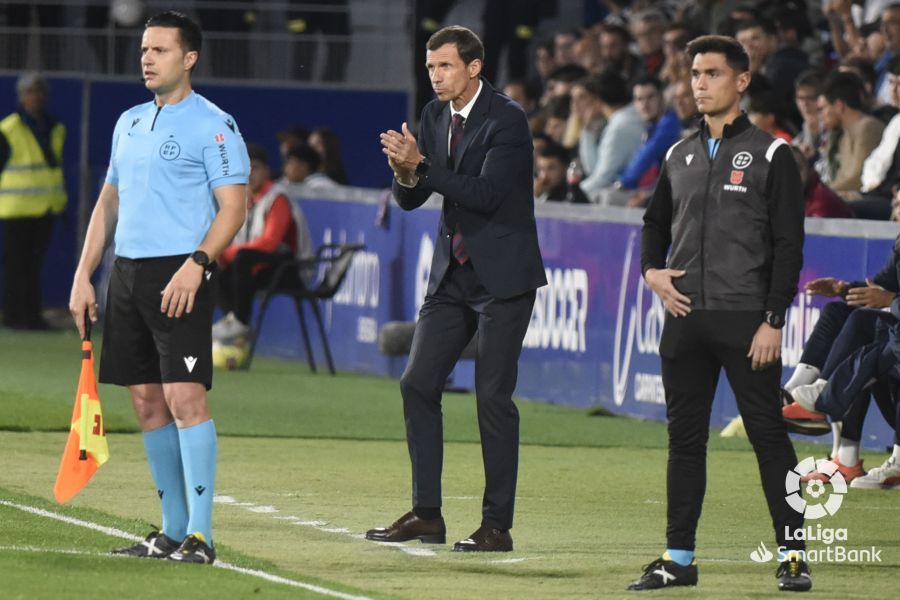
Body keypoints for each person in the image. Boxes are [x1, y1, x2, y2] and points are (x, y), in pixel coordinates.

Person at [68, 11, 249, 565]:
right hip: (127, 273)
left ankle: (202, 535)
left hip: (181, 273)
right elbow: (108, 202)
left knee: (184, 397)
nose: (147, 58)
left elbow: (234, 207)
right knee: (146, 401)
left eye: (160, 50)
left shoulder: (214, 124)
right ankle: (171, 531)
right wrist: (83, 274)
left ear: (189, 58)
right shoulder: (128, 122)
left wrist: (198, 263)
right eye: (144, 49)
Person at [633, 35, 810, 592]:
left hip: (746, 323)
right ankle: (678, 558)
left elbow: (789, 245)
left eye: (711, 73)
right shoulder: (678, 154)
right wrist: (650, 273)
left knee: (770, 441)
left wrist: (774, 319)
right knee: (684, 442)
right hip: (684, 320)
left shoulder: (773, 153)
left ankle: (794, 556)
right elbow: (654, 224)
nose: (700, 84)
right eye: (694, 74)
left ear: (742, 81)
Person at [368, 25, 546, 552]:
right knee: (417, 383)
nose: (435, 76)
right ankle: (427, 514)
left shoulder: (508, 119)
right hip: (452, 273)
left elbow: (487, 194)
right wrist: (404, 175)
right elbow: (413, 198)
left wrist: (421, 166)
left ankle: (497, 526)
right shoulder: (432, 115)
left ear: (473, 67)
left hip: (503, 278)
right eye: (430, 67)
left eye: (445, 66)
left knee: (492, 397)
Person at [212, 144, 312, 341]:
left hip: (291, 270)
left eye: (255, 167)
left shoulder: (277, 197)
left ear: (266, 170)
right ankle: (236, 322)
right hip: (259, 269)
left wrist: (226, 254)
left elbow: (270, 243)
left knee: (240, 257)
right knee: (211, 265)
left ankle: (240, 320)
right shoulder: (243, 199)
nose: (249, 173)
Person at [0, 73, 66, 330]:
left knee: (33, 264)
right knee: (15, 264)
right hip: (15, 208)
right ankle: (15, 315)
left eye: (39, 92)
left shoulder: (56, 127)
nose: (35, 97)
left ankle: (31, 315)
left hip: (46, 205)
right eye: (30, 92)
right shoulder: (8, 129)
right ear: (21, 97)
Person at [572, 71, 645, 202]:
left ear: (597, 99)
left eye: (584, 97)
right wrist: (587, 132)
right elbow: (594, 169)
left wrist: (571, 194)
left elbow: (602, 177)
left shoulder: (622, 125)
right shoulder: (621, 120)